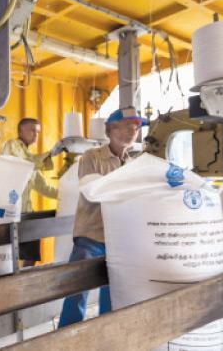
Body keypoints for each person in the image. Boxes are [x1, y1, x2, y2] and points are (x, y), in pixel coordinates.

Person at [57, 107, 146, 327]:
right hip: (92, 235)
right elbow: (91, 189)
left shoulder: (133, 163)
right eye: (127, 126)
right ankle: (68, 338)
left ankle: (105, 334)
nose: (132, 132)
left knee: (113, 292)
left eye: (135, 128)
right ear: (110, 130)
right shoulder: (92, 157)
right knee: (78, 290)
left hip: (119, 238)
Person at [0, 118, 63, 266]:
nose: (35, 134)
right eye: (31, 130)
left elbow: (43, 188)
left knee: (31, 254)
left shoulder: (32, 159)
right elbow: (22, 163)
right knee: (10, 257)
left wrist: (69, 194)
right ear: (20, 131)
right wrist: (50, 154)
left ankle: (24, 282)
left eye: (38, 131)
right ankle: (12, 285)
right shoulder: (11, 146)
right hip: (9, 213)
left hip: (26, 212)